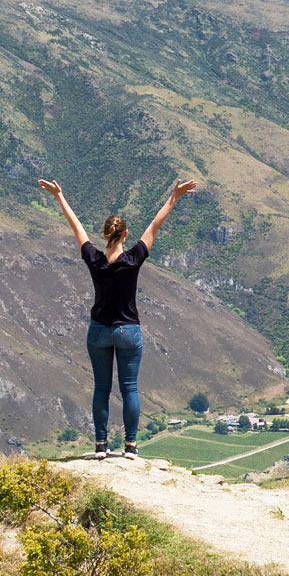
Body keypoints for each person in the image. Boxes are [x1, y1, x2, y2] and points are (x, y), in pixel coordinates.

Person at [36, 175, 199, 460]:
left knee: (101, 387)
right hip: (128, 331)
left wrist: (59, 196)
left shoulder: (94, 259)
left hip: (99, 331)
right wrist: (175, 196)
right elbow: (155, 225)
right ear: (125, 235)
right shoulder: (133, 258)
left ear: (104, 235)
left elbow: (76, 227)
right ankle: (131, 447)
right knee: (130, 388)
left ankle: (101, 446)